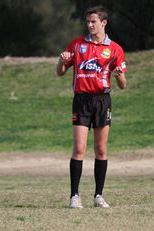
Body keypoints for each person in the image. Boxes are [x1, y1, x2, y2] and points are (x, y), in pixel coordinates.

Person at [56, 5, 127, 208]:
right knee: (79, 148)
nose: (90, 25)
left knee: (101, 149)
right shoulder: (77, 45)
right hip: (81, 101)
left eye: (93, 21)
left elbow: (123, 85)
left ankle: (98, 196)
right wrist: (61, 62)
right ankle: (74, 196)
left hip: (102, 101)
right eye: (88, 21)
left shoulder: (115, 49)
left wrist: (119, 76)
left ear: (103, 22)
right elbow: (60, 72)